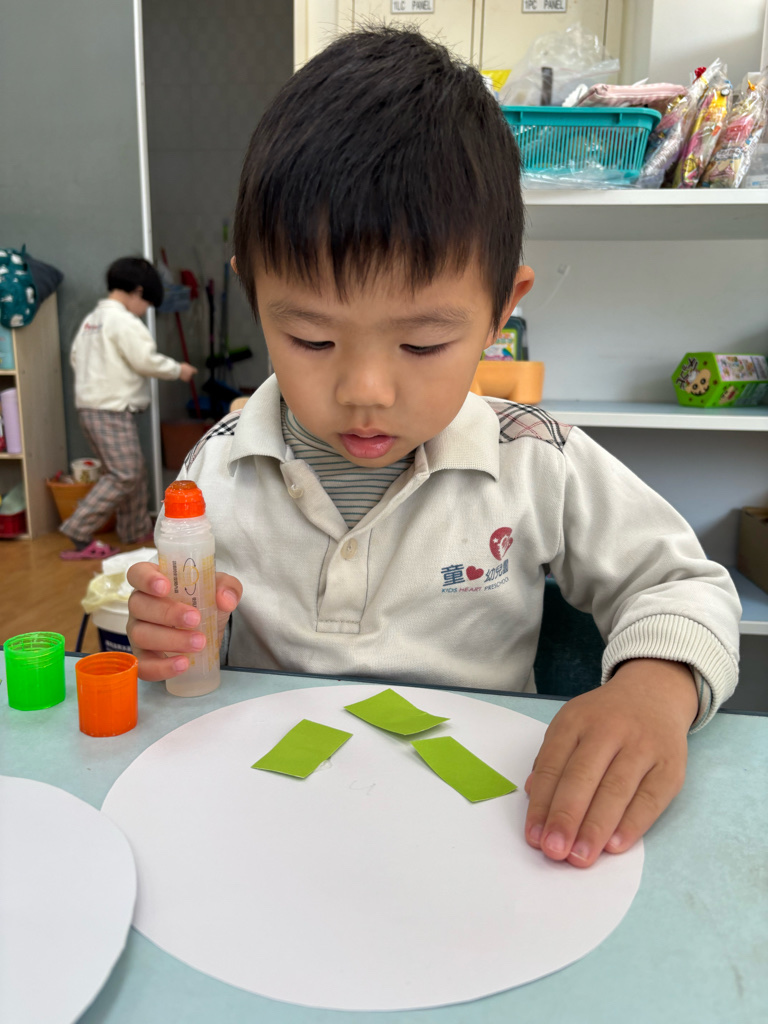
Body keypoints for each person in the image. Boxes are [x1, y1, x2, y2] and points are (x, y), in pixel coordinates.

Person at [127, 28, 741, 868]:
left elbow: (682, 582)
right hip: (272, 826)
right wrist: (169, 636)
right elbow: (183, 648)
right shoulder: (219, 465)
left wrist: (657, 689)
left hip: (479, 832)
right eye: (310, 338)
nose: (366, 391)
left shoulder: (535, 457)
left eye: (422, 345)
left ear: (499, 312)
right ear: (256, 294)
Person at [60, 257, 197, 559]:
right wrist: (179, 370)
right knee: (125, 473)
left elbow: (75, 358)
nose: (145, 310)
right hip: (110, 409)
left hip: (91, 407)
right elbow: (144, 360)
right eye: (147, 303)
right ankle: (78, 530)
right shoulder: (123, 321)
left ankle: (134, 529)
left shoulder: (92, 321)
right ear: (137, 291)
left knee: (133, 471)